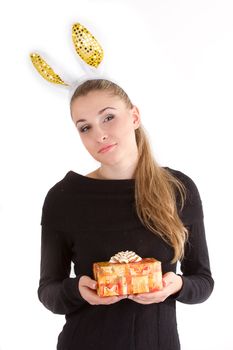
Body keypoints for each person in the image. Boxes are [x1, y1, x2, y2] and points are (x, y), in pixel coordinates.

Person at [38, 78, 214, 350]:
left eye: (108, 117)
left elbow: (203, 281)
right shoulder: (64, 198)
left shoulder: (179, 189)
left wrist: (176, 285)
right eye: (85, 127)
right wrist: (78, 290)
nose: (99, 135)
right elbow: (48, 290)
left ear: (134, 116)